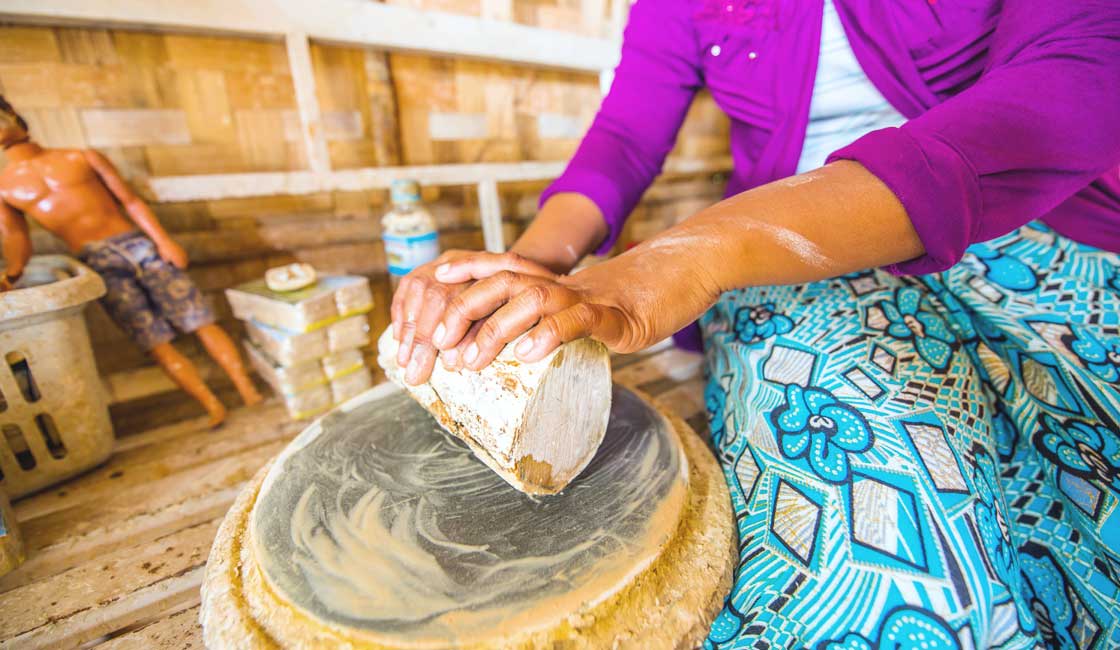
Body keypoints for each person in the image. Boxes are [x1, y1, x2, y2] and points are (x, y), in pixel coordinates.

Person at [392, 0, 1120, 647]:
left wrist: (682, 264)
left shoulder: (703, 256)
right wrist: (528, 265)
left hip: (1033, 227)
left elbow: (1072, 82)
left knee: (1085, 464)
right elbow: (626, 133)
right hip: (779, 259)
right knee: (892, 544)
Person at [0, 95, 261, 428]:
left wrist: (163, 240)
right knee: (153, 340)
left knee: (197, 317)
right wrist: (14, 271)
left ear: (12, 115)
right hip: (97, 262)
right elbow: (15, 236)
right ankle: (211, 405)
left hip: (138, 246)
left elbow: (131, 201)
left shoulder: (79, 157)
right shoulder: (5, 188)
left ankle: (246, 387)